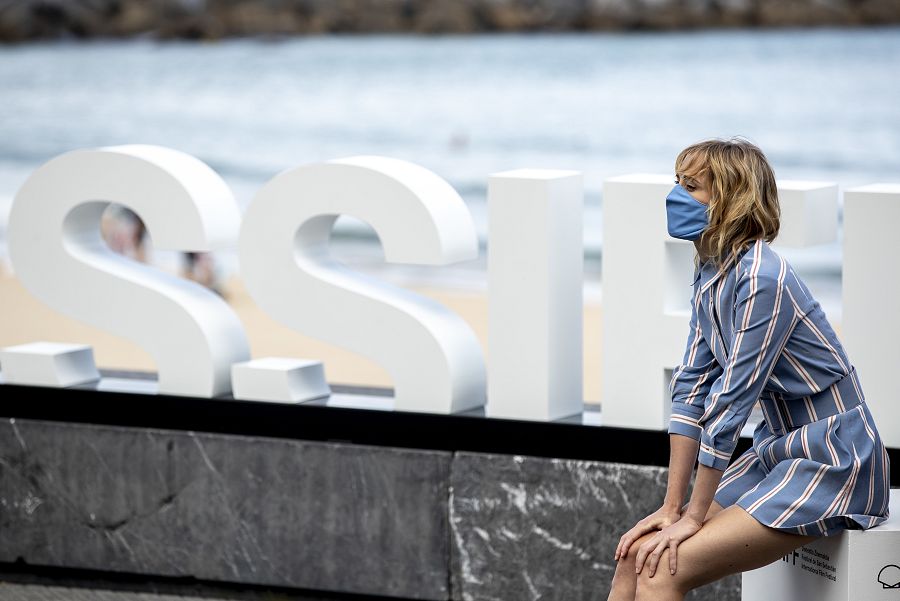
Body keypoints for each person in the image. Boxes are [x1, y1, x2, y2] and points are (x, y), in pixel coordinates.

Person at [607, 137, 891, 601]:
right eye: (677, 182)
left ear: (729, 199)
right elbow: (691, 392)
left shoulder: (762, 278)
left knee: (661, 570)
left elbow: (731, 403)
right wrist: (671, 507)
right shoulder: (710, 271)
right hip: (777, 450)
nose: (675, 194)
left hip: (835, 459)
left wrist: (695, 518)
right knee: (637, 552)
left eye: (692, 185)